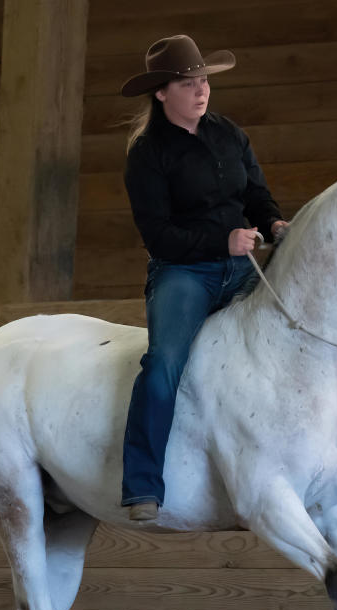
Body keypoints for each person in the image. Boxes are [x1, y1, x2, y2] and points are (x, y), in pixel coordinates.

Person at [119, 34, 289, 521]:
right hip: (183, 272)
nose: (201, 90)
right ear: (161, 93)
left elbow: (256, 193)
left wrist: (274, 222)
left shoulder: (229, 134)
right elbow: (158, 236)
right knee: (163, 363)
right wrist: (222, 243)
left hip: (241, 267)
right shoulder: (147, 154)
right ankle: (142, 484)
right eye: (188, 83)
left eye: (203, 80)